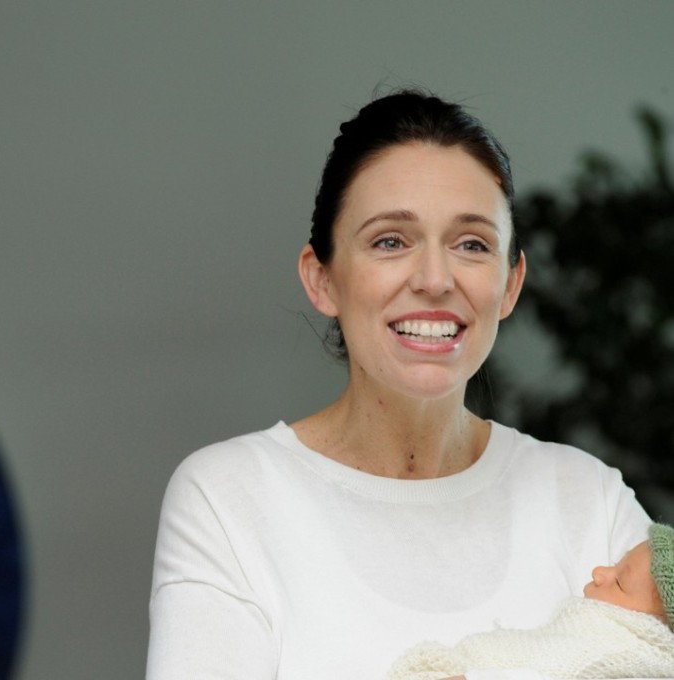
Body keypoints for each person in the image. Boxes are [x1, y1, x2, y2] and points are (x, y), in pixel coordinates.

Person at [146, 90, 652, 680]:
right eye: (391, 241)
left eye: (471, 244)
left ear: (511, 284)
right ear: (323, 278)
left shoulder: (588, 499)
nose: (435, 280)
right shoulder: (230, 500)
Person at [387, 522, 674, 680]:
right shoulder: (580, 633)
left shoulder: (630, 657)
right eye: (614, 563)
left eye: (620, 582)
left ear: (654, 626)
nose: (599, 572)